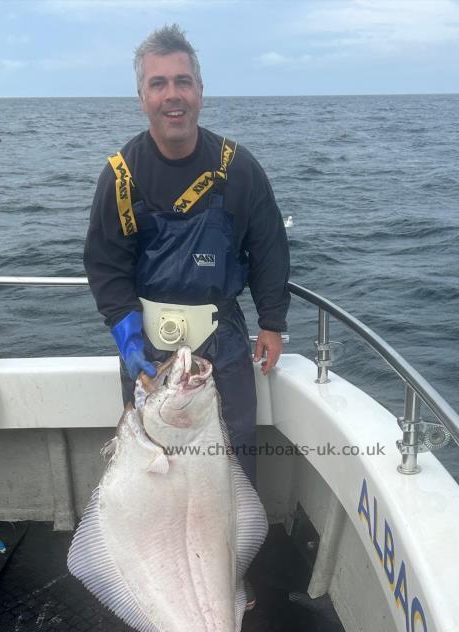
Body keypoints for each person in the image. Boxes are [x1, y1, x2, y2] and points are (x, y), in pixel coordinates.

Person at [84, 24, 290, 486]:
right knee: (152, 475)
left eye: (182, 81)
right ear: (142, 96)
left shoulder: (238, 168)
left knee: (231, 471)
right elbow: (105, 264)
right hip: (148, 351)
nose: (172, 95)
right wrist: (128, 338)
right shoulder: (120, 176)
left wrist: (273, 322)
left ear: (200, 91)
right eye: (158, 83)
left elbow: (269, 248)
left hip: (225, 344)